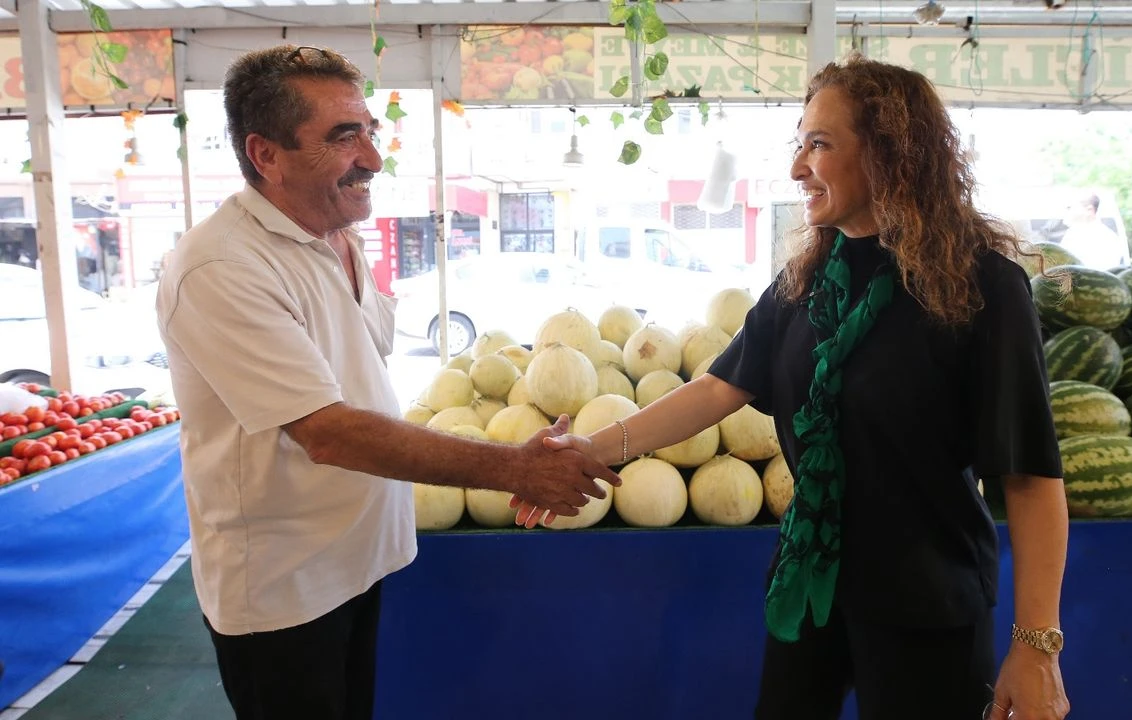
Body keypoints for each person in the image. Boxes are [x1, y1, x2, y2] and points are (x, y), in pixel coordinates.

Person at [518, 55, 1071, 720]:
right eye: (799, 144)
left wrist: (1037, 647)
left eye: (820, 144)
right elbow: (719, 388)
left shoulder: (982, 289)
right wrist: (591, 450)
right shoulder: (805, 283)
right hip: (811, 581)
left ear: (890, 152)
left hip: (926, 600)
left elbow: (1031, 477)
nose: (797, 168)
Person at [154, 45, 620, 720]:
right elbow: (326, 431)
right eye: (344, 138)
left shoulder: (337, 236)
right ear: (266, 154)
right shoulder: (221, 267)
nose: (373, 158)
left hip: (355, 559)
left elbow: (355, 374)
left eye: (370, 132)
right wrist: (514, 468)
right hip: (284, 589)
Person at [1059, 192, 1129, 270]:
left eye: (1069, 208)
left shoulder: (1107, 238)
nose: (1066, 211)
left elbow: (1098, 274)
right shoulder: (1071, 234)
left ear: (1089, 210)